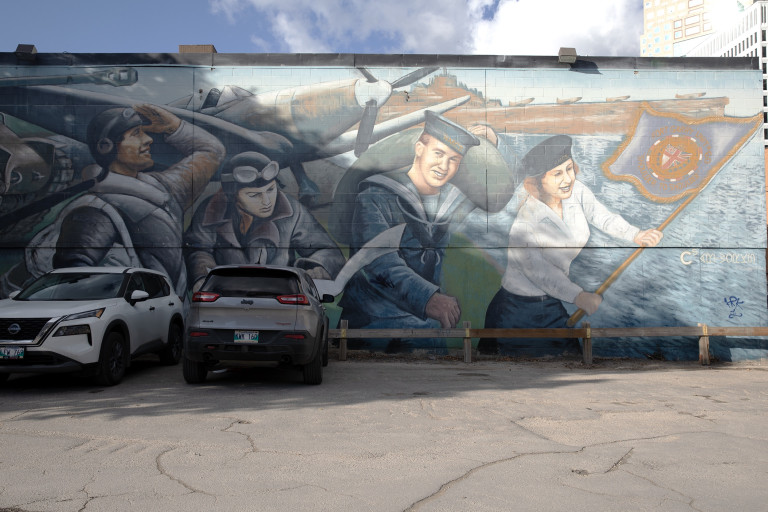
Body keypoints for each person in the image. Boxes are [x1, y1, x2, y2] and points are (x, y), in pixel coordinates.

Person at [481, 135, 663, 356]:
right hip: (517, 310)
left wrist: (637, 234)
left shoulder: (576, 193)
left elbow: (602, 217)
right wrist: (579, 296)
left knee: (570, 360)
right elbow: (541, 273)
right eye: (557, 174)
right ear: (537, 182)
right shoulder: (525, 224)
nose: (567, 178)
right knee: (518, 371)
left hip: (551, 301)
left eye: (569, 169)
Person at [43, 104, 226, 297]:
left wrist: (174, 127)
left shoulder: (165, 188)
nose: (148, 140)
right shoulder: (93, 212)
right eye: (136, 134)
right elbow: (73, 281)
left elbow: (213, 151)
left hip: (163, 315)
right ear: (106, 146)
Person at [338, 111, 481, 353]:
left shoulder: (451, 202)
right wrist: (428, 298)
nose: (444, 166)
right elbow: (378, 262)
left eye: (454, 159)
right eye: (438, 153)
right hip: (377, 324)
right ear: (418, 148)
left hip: (430, 323)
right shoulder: (376, 196)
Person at [184, 151, 345, 291]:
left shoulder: (291, 210)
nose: (267, 201)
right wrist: (201, 276)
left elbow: (326, 250)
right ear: (233, 196)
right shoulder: (210, 210)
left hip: (278, 294)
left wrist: (316, 267)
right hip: (226, 295)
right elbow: (197, 249)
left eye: (270, 190)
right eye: (254, 195)